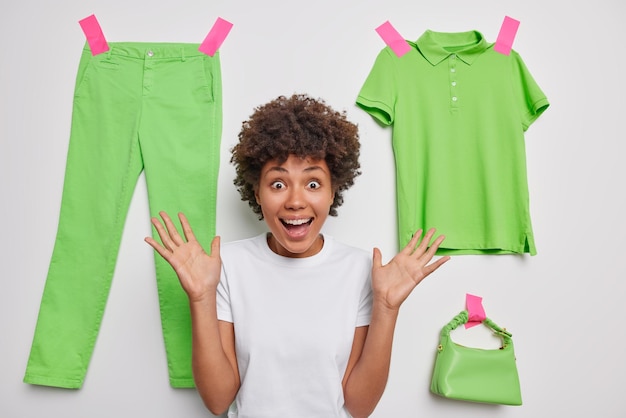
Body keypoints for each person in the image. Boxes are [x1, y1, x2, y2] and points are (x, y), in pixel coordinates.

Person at [145, 93, 450, 417]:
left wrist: (387, 308)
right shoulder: (226, 267)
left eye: (313, 184)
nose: (295, 201)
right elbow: (218, 400)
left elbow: (359, 406)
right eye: (278, 184)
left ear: (334, 191)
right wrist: (201, 297)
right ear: (256, 193)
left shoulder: (361, 270)